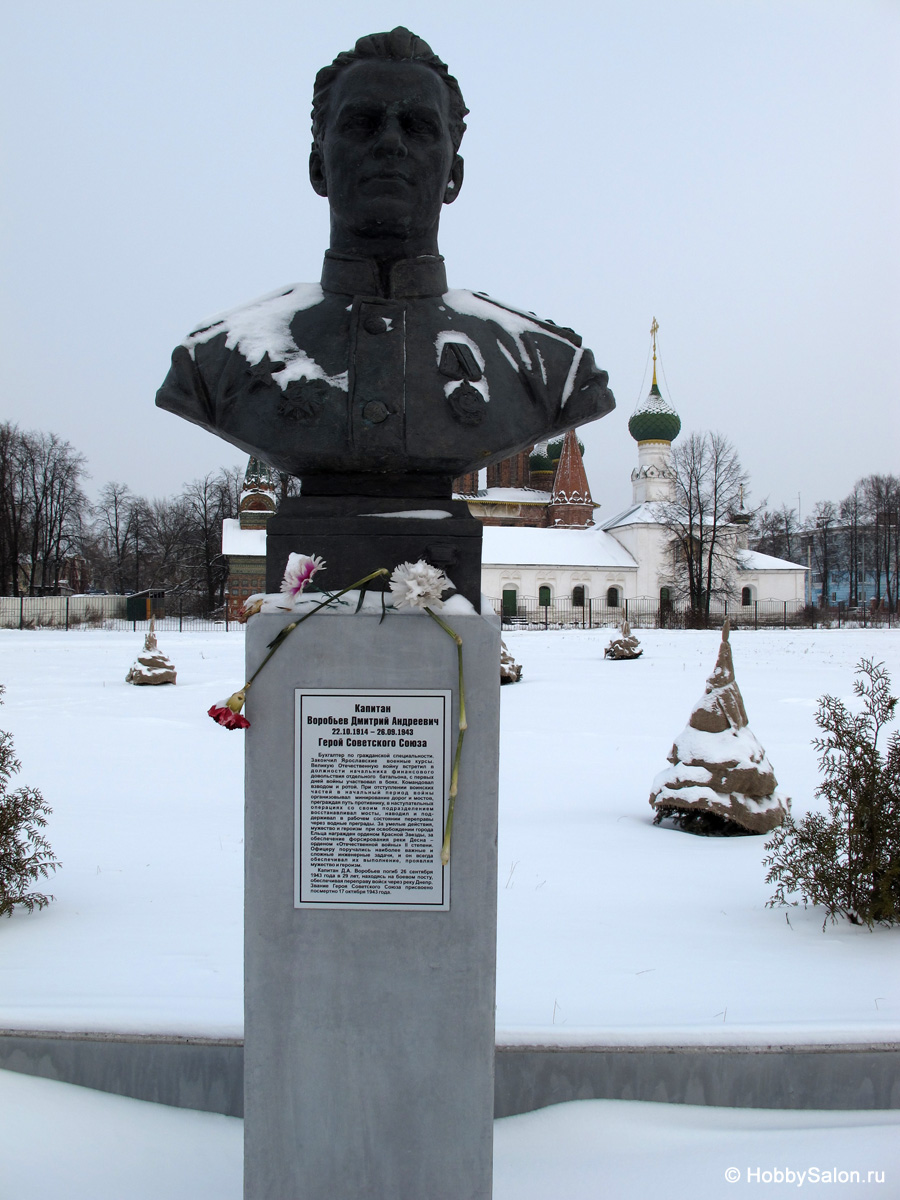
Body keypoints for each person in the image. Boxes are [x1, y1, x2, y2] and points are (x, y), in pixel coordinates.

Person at [156, 27, 614, 495]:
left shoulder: (545, 365)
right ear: (318, 169)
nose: (391, 144)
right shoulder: (216, 362)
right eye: (363, 123)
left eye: (417, 127)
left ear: (453, 176)